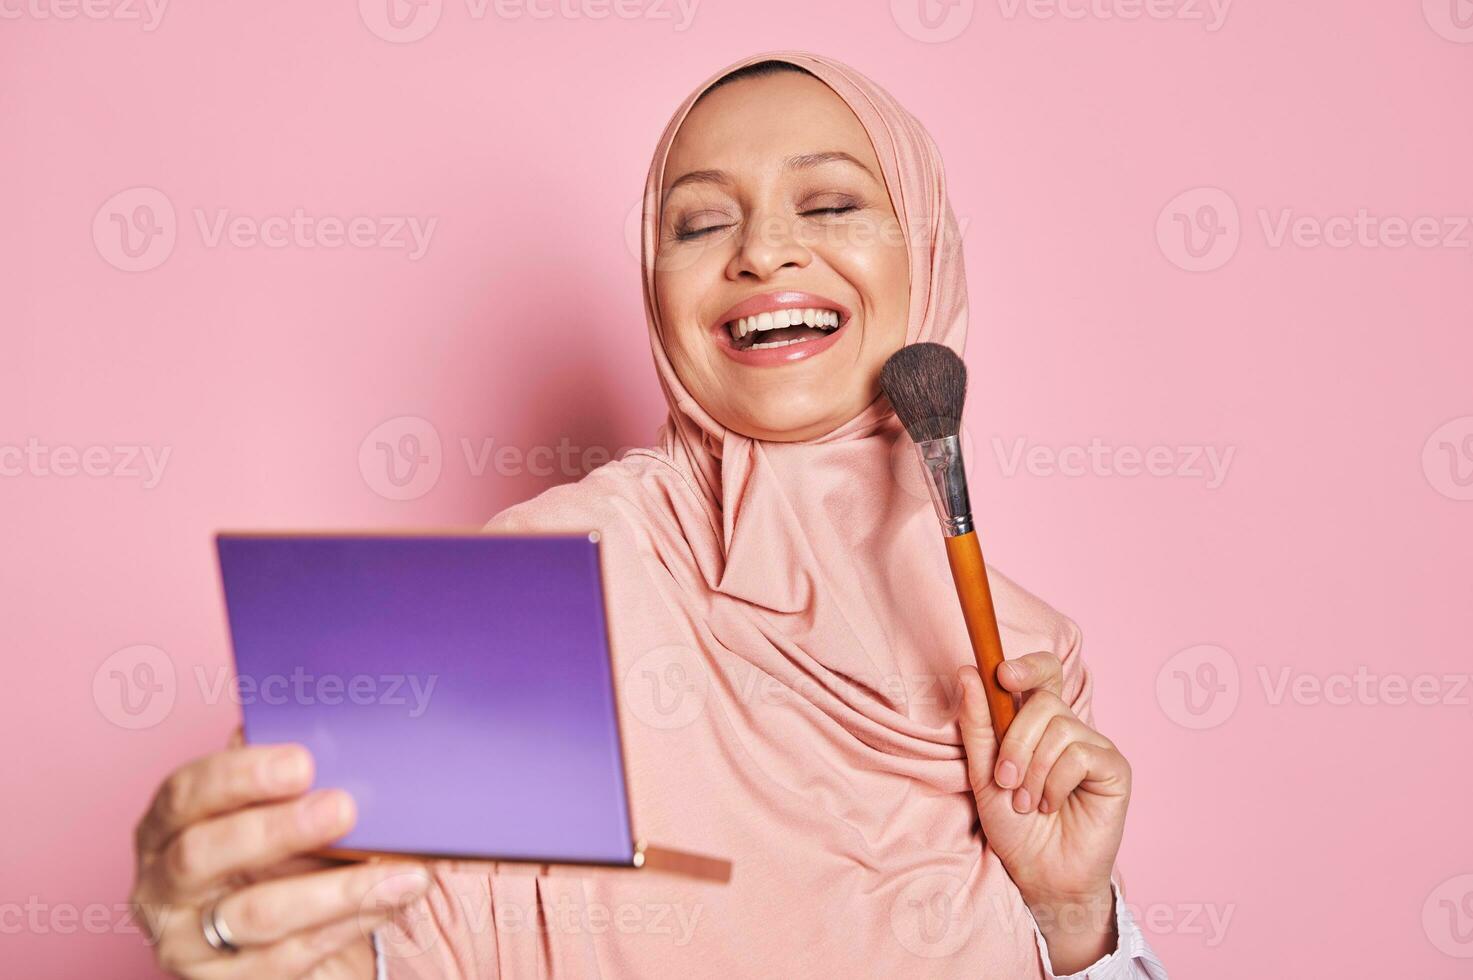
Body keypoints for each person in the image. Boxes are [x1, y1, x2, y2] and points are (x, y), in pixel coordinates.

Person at [130, 51, 1169, 979]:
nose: (764, 251)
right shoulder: (541, 580)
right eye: (703, 221)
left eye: (833, 205)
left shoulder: (1028, 672)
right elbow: (376, 942)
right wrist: (257, 937)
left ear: (928, 253)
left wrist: (1073, 917)